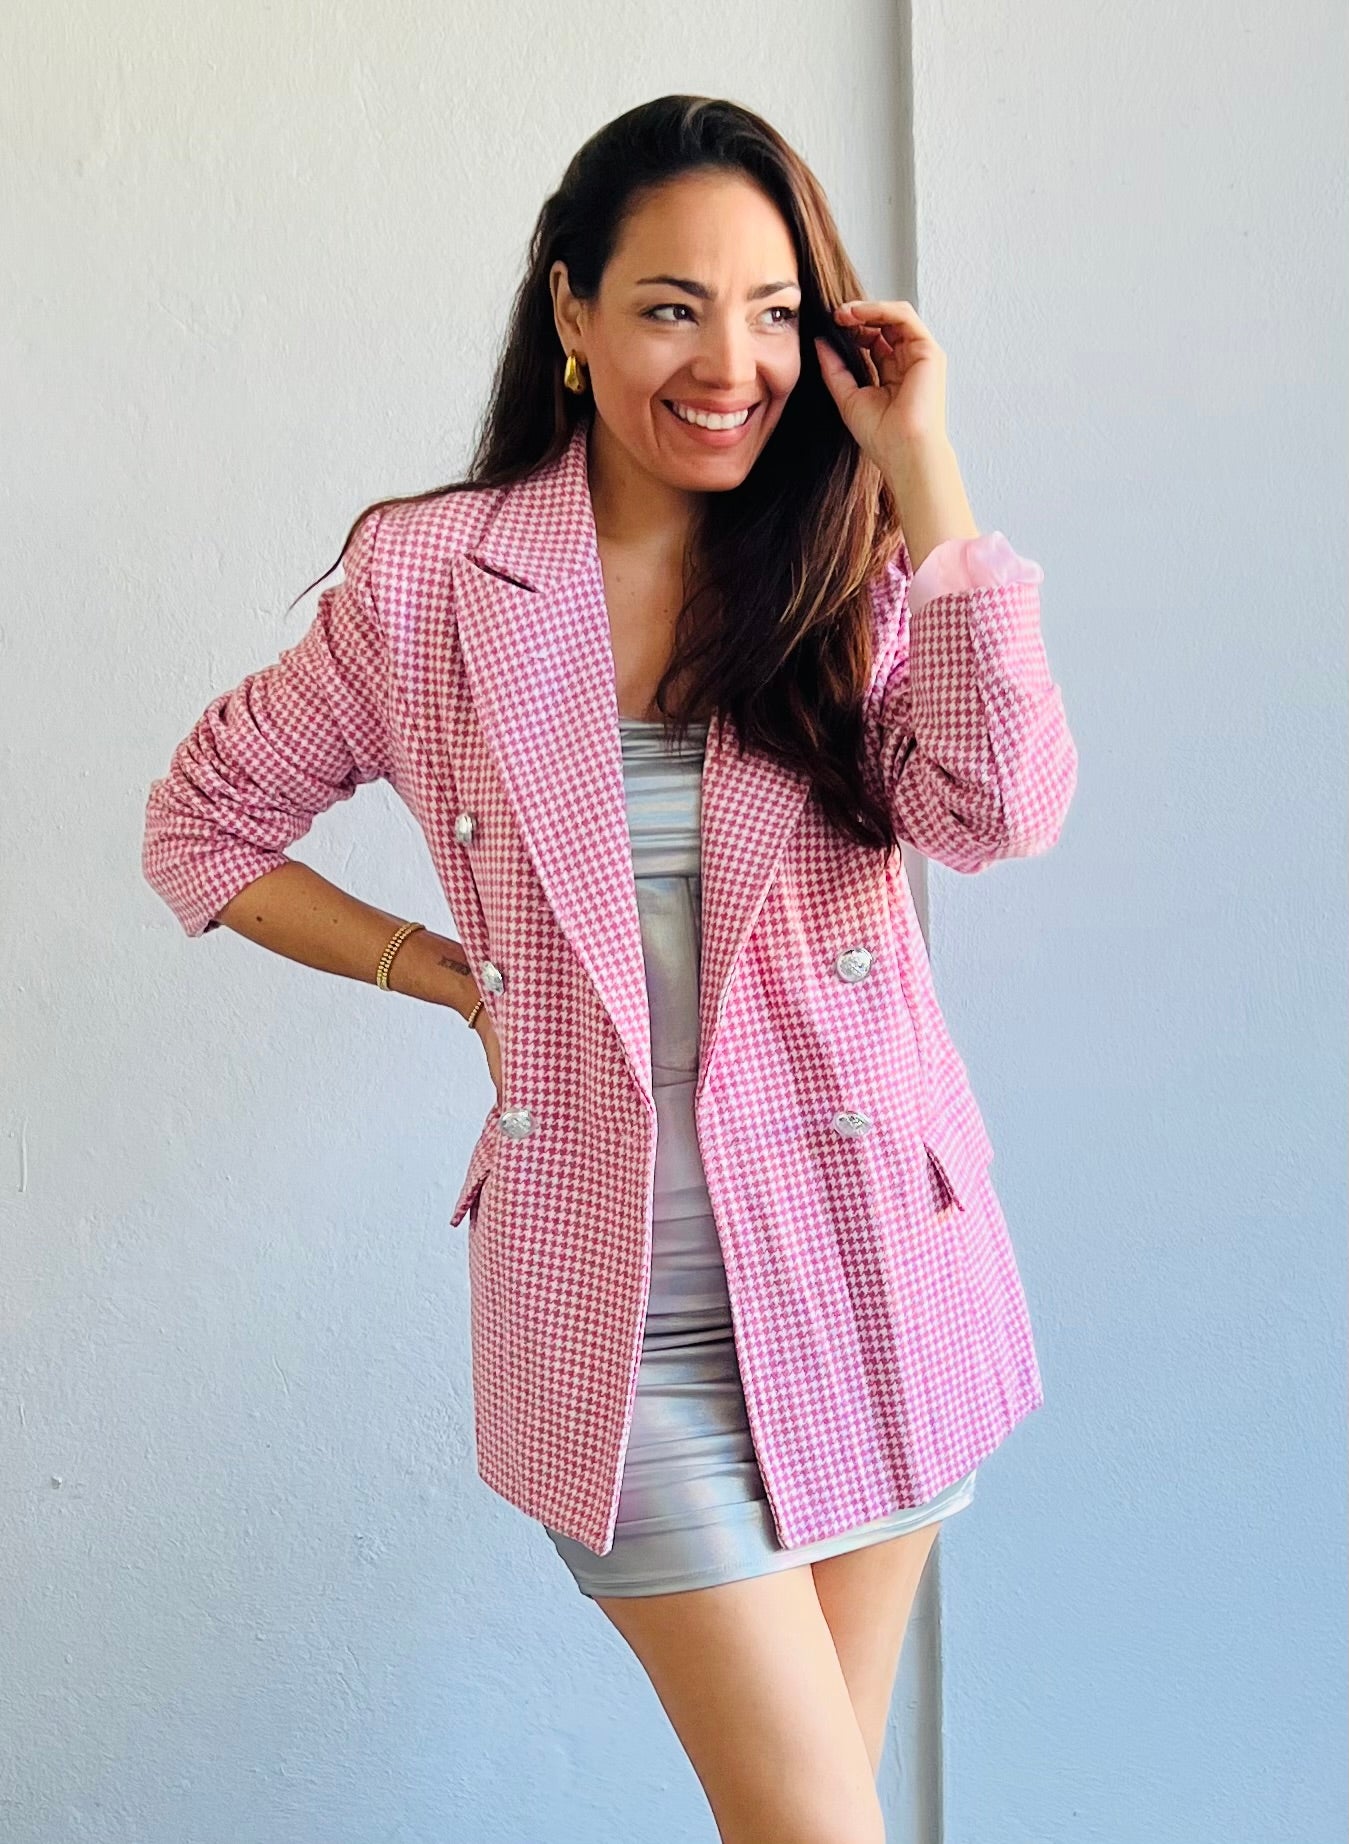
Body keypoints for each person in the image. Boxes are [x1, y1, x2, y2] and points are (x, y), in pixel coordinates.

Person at [142, 94, 1076, 1844]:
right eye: (670, 305)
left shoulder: (854, 562)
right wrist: (452, 974)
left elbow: (1000, 810)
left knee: (804, 1829)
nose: (730, 360)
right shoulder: (432, 581)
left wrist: (924, 471)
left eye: (775, 311)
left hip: (875, 1278)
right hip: (615, 1310)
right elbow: (201, 828)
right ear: (569, 313)